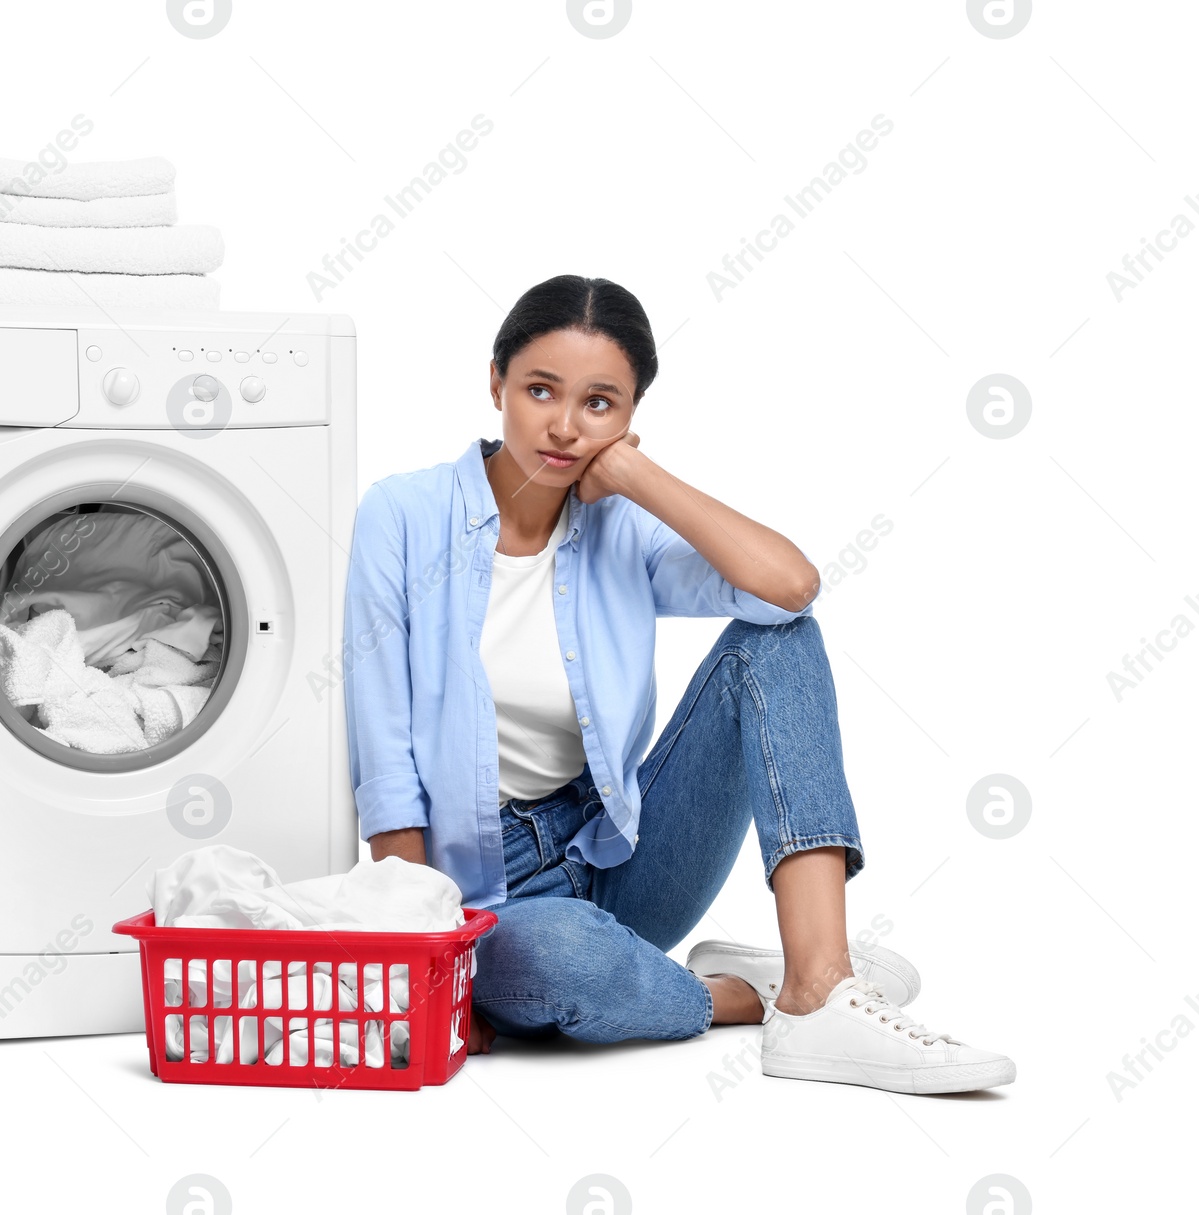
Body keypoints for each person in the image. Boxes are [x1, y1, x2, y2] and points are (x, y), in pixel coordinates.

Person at [340, 274, 1014, 1094]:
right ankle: (747, 994)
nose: (562, 425)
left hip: (622, 853)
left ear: (628, 419)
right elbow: (384, 765)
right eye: (540, 389)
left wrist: (636, 479)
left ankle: (820, 984)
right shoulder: (404, 515)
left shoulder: (621, 523)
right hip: (486, 900)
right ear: (495, 383)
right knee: (557, 957)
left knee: (777, 640)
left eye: (599, 403)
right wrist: (428, 965)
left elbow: (788, 588)